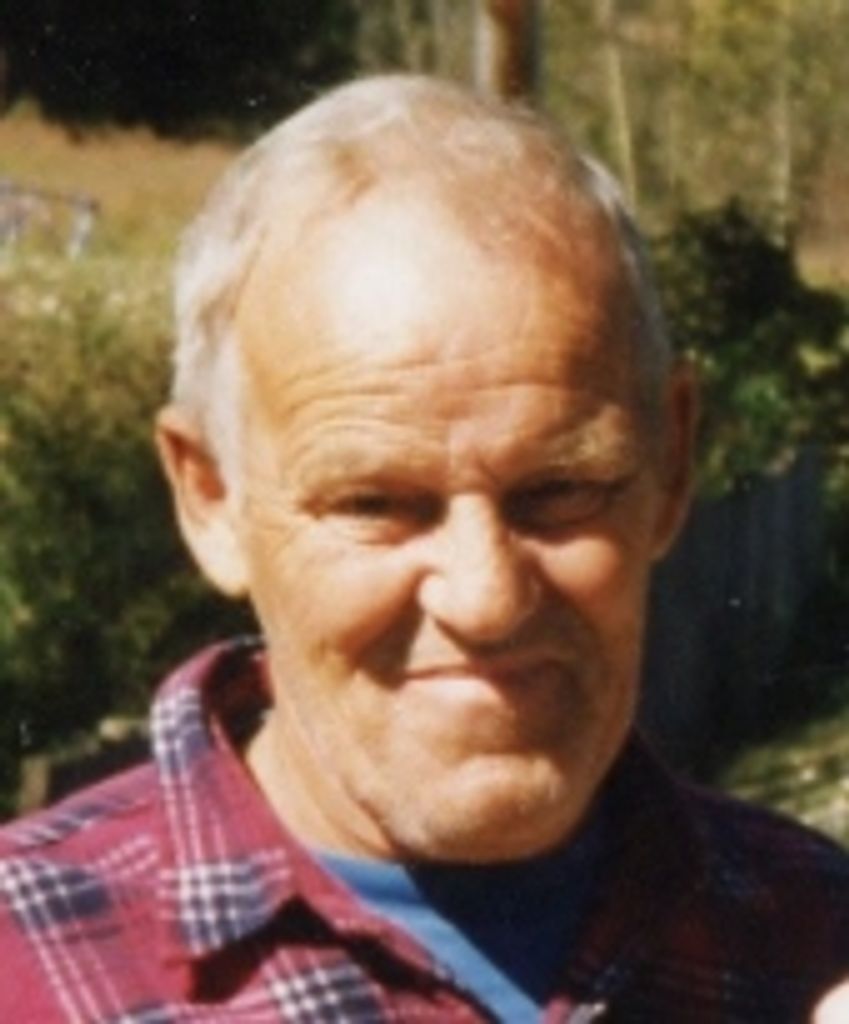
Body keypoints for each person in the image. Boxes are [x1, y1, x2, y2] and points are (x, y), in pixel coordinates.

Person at [0, 74, 846, 1023]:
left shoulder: (809, 932)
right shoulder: (26, 970)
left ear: (672, 462)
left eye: (558, 491)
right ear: (211, 498)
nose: (486, 598)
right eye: (375, 504)